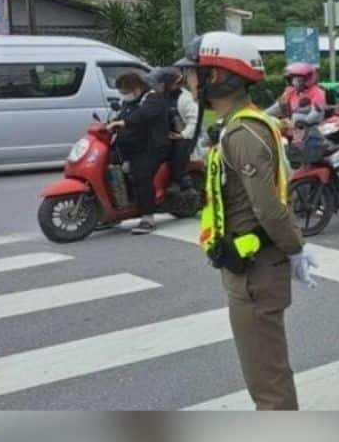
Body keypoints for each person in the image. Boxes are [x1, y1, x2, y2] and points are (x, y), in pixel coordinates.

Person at [181, 31, 318, 410]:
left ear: (218, 76)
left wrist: (295, 250)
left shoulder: (242, 133)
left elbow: (269, 208)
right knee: (264, 372)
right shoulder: (238, 126)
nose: (189, 80)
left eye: (196, 72)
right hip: (248, 267)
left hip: (255, 272)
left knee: (267, 382)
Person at [106, 70, 172, 234]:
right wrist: (112, 123)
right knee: (109, 166)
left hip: (152, 147)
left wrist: (123, 123)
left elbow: (142, 115)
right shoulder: (129, 102)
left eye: (125, 91)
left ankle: (147, 218)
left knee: (141, 174)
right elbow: (122, 116)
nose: (124, 95)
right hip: (132, 147)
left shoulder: (153, 98)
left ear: (136, 87)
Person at [151, 66, 196, 191]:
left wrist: (182, 135)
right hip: (164, 134)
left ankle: (178, 180)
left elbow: (194, 121)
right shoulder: (159, 96)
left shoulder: (185, 99)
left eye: (160, 84)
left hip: (181, 137)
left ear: (169, 84)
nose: (156, 87)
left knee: (180, 147)